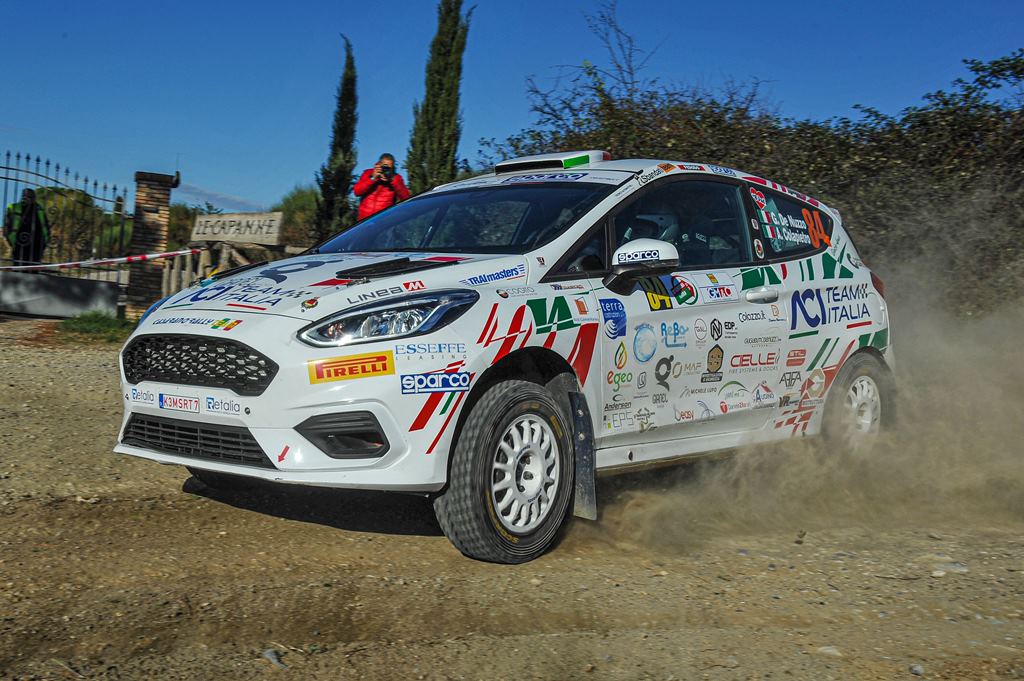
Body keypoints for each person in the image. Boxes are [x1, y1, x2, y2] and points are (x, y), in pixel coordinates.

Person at [352, 153, 410, 221]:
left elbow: (406, 198)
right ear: (379, 165)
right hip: (364, 221)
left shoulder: (396, 178)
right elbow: (357, 192)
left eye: (389, 168)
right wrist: (373, 178)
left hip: (383, 221)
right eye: (384, 167)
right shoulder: (368, 173)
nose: (386, 170)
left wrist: (393, 180)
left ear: (393, 168)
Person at [3, 188, 50, 266]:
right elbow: (6, 227)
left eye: (31, 196)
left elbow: (46, 227)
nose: (28, 198)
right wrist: (11, 241)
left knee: (34, 269)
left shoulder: (39, 209)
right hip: (19, 245)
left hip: (36, 247)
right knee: (19, 268)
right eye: (26, 196)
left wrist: (44, 243)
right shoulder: (14, 207)